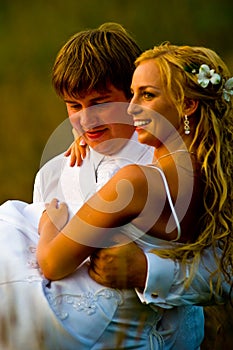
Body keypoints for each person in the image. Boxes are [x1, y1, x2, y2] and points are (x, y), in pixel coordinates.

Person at [36, 40, 233, 350]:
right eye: (74, 105)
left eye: (101, 102)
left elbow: (225, 271)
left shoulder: (165, 161)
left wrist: (147, 270)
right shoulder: (54, 173)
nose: (87, 120)